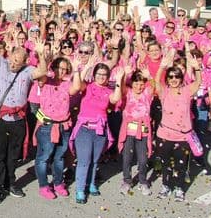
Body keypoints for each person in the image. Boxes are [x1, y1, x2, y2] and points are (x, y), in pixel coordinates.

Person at [0, 18, 43, 204]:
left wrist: (42, 54)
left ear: (25, 61)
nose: (14, 64)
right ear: (10, 55)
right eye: (13, 60)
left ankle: (11, 183)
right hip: (1, 119)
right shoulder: (1, 64)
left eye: (18, 62)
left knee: (13, 156)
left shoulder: (28, 70)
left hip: (19, 120)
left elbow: (42, 72)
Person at [33, 44, 83, 200]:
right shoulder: (45, 81)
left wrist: (76, 70)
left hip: (64, 125)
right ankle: (43, 185)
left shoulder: (67, 84)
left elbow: (77, 87)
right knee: (44, 157)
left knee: (59, 157)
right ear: (53, 68)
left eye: (64, 69)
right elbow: (40, 72)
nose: (61, 71)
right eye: (59, 68)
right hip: (47, 126)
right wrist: (42, 55)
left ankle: (58, 183)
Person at [152, 48, 202, 201]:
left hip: (182, 136)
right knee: (166, 163)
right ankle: (166, 186)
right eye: (171, 77)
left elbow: (198, 82)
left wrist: (197, 68)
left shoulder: (187, 91)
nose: (174, 79)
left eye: (177, 77)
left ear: (181, 78)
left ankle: (179, 188)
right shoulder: (164, 92)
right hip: (165, 135)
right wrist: (162, 67)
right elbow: (156, 81)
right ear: (167, 79)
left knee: (180, 165)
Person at [71, 60, 115, 203]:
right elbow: (77, 85)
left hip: (100, 129)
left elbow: (116, 100)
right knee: (84, 161)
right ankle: (79, 190)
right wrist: (81, 68)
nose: (101, 77)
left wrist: (120, 79)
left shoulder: (109, 91)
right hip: (85, 129)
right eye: (99, 74)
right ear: (94, 75)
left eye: (104, 75)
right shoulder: (88, 87)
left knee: (95, 160)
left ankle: (91, 184)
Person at [117, 68, 154, 196]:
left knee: (143, 159)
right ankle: (127, 180)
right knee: (127, 158)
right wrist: (125, 74)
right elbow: (121, 87)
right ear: (131, 83)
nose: (139, 86)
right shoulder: (128, 92)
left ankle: (143, 181)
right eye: (136, 83)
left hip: (143, 132)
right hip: (129, 131)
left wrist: (149, 77)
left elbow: (155, 87)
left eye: (141, 84)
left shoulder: (147, 94)